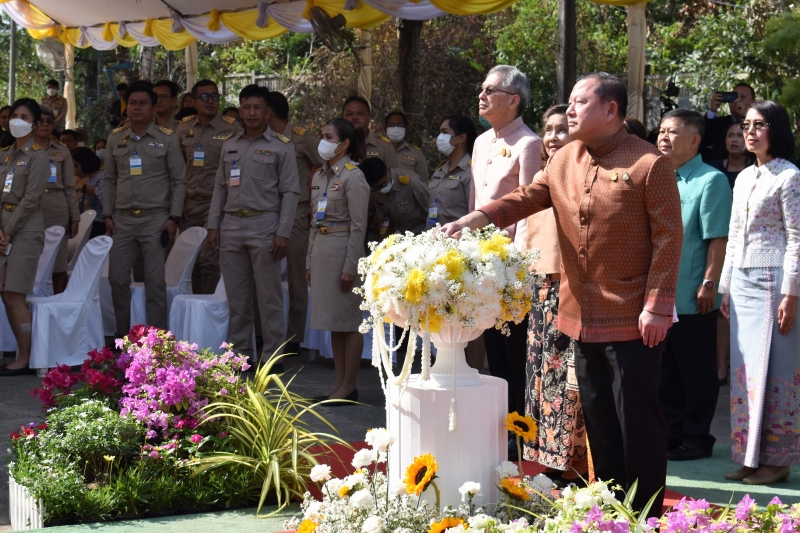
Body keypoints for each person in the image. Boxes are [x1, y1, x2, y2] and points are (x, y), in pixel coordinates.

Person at [443, 72, 683, 515]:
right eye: (568, 102)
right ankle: (609, 508)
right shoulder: (565, 159)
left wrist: (658, 304)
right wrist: (472, 220)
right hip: (578, 314)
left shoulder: (649, 164)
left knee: (638, 420)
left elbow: (669, 239)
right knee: (598, 419)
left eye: (579, 102)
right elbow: (525, 198)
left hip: (634, 318)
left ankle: (646, 514)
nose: (568, 110)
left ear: (610, 110)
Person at [719, 100, 800, 485]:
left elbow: (797, 239)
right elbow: (734, 235)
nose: (749, 131)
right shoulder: (744, 177)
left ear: (777, 129)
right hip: (742, 282)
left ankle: (778, 459)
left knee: (778, 372)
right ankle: (750, 457)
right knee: (746, 372)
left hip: (775, 281)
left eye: (759, 124)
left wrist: (792, 293)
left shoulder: (790, 176)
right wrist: (724, 287)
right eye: (745, 124)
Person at [470, 65, 542, 450]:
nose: (482, 95)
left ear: (513, 100)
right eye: (481, 88)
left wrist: (516, 269)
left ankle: (520, 431)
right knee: (492, 351)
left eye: (490, 90)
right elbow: (475, 204)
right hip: (479, 263)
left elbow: (528, 207)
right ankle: (498, 431)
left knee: (515, 353)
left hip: (510, 268)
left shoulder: (528, 144)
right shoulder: (482, 142)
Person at [655, 109, 732, 461]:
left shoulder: (710, 180)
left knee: (696, 371)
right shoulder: (657, 176)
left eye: (672, 132)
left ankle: (697, 437)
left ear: (695, 140)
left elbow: (718, 238)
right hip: (659, 293)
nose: (664, 137)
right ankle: (671, 433)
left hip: (692, 292)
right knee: (665, 368)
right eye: (661, 131)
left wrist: (709, 284)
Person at [207, 85, 299, 367]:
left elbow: (291, 192)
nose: (251, 113)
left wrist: (283, 232)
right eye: (246, 107)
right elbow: (220, 188)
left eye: (257, 108)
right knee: (237, 298)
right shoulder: (229, 144)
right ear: (240, 110)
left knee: (269, 297)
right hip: (232, 224)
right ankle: (241, 356)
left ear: (267, 112)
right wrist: (214, 225)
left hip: (265, 225)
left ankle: (273, 356)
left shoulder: (281, 147)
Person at [520, 103, 587, 484]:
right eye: (548, 128)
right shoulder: (540, 175)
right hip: (539, 286)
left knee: (567, 376)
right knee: (540, 377)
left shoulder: (581, 175)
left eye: (562, 128)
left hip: (569, 287)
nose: (552, 136)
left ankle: (574, 462)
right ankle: (547, 457)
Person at [103, 81, 186, 335]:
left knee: (154, 283)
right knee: (117, 279)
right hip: (123, 221)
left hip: (156, 219)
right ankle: (122, 339)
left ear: (153, 107)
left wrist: (174, 217)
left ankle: (156, 341)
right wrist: (107, 214)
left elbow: (180, 179)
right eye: (133, 103)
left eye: (143, 103)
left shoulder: (167, 139)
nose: (137, 108)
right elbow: (109, 179)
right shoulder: (116, 138)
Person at [307, 118, 369, 403]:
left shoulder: (353, 176)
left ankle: (350, 384)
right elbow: (313, 222)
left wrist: (351, 266)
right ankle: (339, 383)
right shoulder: (320, 175)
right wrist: (309, 260)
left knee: (349, 321)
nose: (323, 141)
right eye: (322, 135)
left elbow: (359, 225)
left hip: (344, 251)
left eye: (328, 136)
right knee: (334, 321)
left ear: (344, 144)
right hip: (322, 251)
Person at [265, 90, 324, 355]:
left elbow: (328, 170)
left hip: (297, 216)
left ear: (269, 112)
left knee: (298, 279)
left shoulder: (302, 138)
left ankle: (296, 337)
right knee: (266, 277)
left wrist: (316, 208)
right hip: (267, 214)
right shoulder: (262, 139)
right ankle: (266, 334)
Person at [175, 79, 242, 295]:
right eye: (204, 97)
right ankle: (194, 312)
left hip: (216, 205)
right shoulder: (183, 128)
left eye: (215, 96)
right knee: (191, 261)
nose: (210, 101)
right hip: (188, 205)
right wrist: (177, 203)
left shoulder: (232, 129)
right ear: (194, 101)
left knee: (210, 261)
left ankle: (208, 314)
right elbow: (176, 170)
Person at [0, 99, 50, 375]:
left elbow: (31, 199)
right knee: (6, 295)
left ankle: (25, 357)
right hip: (4, 228)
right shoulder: (5, 153)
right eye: (14, 115)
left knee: (14, 293)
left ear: (34, 123)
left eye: (24, 116)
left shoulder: (38, 156)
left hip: (26, 229)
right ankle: (21, 351)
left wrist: (8, 230)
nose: (17, 120)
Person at [33, 106, 80, 294]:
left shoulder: (62, 151)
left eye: (49, 121)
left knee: (59, 260)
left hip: (56, 204)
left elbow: (70, 186)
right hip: (29, 206)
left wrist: (74, 217)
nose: (45, 125)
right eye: (40, 121)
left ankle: (58, 300)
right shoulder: (22, 148)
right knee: (30, 256)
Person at [361, 157, 429, 235]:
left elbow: (433, 209)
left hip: (423, 233)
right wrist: (384, 242)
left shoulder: (411, 182)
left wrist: (430, 234)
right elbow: (384, 219)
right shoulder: (374, 191)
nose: (381, 190)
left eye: (383, 184)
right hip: (402, 235)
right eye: (376, 188)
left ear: (389, 171)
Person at [429, 115, 476, 226]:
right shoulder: (438, 172)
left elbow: (474, 212)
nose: (440, 137)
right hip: (432, 236)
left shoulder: (471, 172)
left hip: (457, 238)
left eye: (445, 132)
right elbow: (432, 207)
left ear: (461, 138)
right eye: (440, 132)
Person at [701, 83, 755, 162]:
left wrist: (746, 116)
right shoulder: (719, 123)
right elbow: (703, 141)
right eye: (734, 97)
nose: (737, 100)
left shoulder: (760, 123)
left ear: (753, 102)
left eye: (742, 97)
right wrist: (712, 111)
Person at [341, 96, 397, 167]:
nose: (355, 117)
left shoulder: (384, 146)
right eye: (349, 114)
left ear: (369, 116)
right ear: (343, 118)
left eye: (360, 113)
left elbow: (393, 175)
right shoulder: (334, 144)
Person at [71, 147, 106, 238]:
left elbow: (106, 198)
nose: (74, 169)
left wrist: (87, 188)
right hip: (90, 222)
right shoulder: (88, 179)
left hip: (100, 223)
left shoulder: (102, 177)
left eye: (76, 165)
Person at [384, 111, 429, 180]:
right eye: (391, 125)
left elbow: (423, 184)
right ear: (385, 129)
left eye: (400, 125)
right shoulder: (379, 150)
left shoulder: (416, 154)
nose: (396, 128)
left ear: (406, 130)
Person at [708, 122, 754, 190]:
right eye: (730, 135)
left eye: (740, 135)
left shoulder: (757, 169)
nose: (734, 140)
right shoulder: (712, 168)